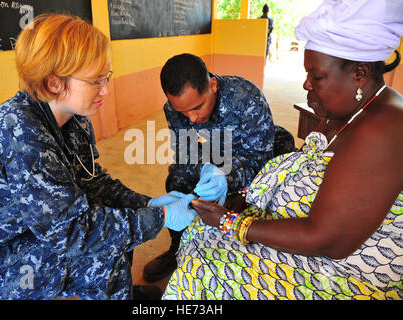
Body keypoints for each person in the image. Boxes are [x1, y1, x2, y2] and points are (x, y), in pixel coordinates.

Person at [163, 0, 403, 300]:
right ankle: (174, 248)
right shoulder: (347, 113)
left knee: (205, 258)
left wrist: (231, 214)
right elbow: (187, 152)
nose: (306, 84)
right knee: (183, 190)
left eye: (316, 77)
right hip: (259, 199)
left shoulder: (383, 127)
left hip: (334, 264)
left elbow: (329, 239)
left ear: (359, 74)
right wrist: (227, 195)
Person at [0, 14, 199, 300]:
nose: (105, 89)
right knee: (104, 246)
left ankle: (120, 293)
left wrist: (146, 203)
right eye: (96, 81)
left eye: (105, 77)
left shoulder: (73, 117)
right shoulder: (19, 135)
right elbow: (72, 233)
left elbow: (92, 182)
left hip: (27, 233)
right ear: (55, 83)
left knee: (118, 227)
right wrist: (161, 216)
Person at [143, 53, 295, 282]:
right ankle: (177, 249)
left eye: (197, 107)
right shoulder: (174, 108)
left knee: (260, 192)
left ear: (212, 85)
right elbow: (186, 152)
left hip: (259, 150)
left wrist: (225, 175)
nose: (192, 118)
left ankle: (244, 247)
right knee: (178, 178)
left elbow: (260, 160)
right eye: (184, 112)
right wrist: (206, 167)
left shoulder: (247, 97)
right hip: (219, 150)